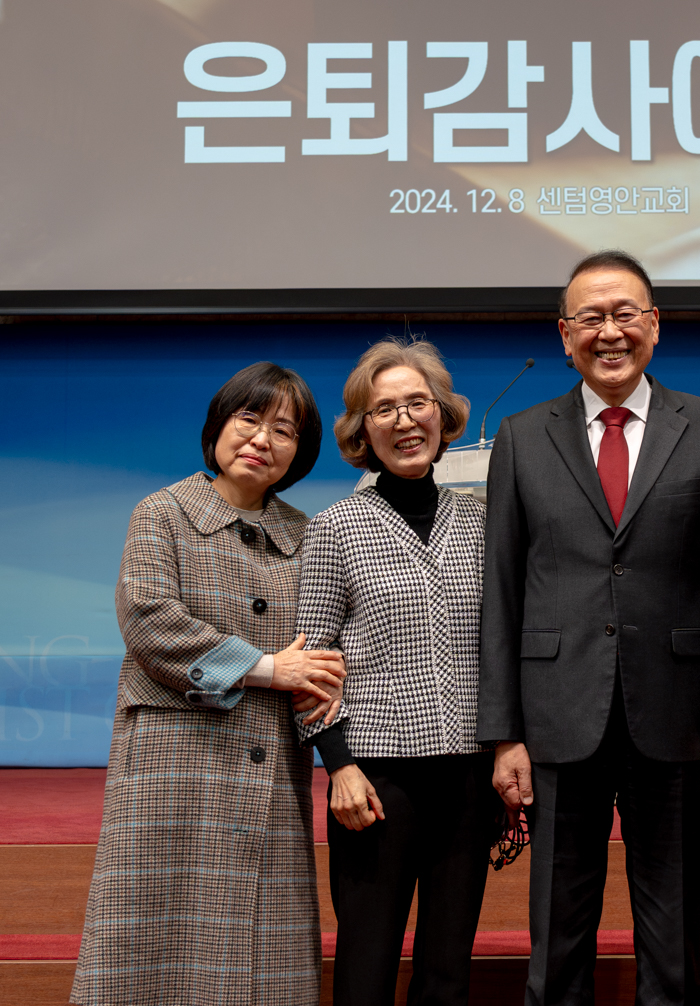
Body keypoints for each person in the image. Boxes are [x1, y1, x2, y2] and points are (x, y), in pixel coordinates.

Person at [479, 250, 700, 1006]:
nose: (610, 332)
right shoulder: (521, 435)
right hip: (556, 716)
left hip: (676, 716)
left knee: (673, 937)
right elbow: (501, 593)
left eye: (625, 314)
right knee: (557, 934)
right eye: (591, 318)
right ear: (564, 334)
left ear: (654, 325)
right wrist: (503, 735)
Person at [72, 362, 345, 1006]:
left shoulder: (306, 535)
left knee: (263, 945)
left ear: (300, 452)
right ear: (219, 425)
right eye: (249, 418)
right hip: (173, 765)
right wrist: (269, 669)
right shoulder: (162, 512)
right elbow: (149, 621)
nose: (262, 439)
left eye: (284, 430)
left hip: (269, 763)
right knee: (153, 932)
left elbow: (321, 652)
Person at [292, 338, 497, 1006]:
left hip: (469, 778)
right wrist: (339, 766)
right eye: (385, 409)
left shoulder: (484, 522)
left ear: (443, 417)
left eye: (418, 404)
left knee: (447, 968)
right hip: (376, 781)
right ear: (362, 431)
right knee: (366, 964)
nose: (405, 421)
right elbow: (311, 663)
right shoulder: (334, 528)